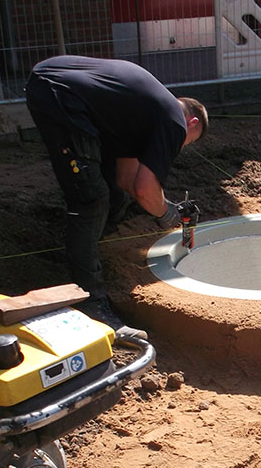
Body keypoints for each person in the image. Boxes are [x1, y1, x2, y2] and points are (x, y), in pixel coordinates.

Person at [25, 55, 208, 337]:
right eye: (188, 141)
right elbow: (146, 189)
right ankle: (92, 303)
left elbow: (126, 180)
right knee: (91, 198)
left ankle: (91, 251)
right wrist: (169, 214)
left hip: (53, 83)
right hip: (61, 95)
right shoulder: (173, 120)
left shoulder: (142, 110)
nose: (180, 146)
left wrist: (165, 206)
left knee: (112, 192)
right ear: (191, 122)